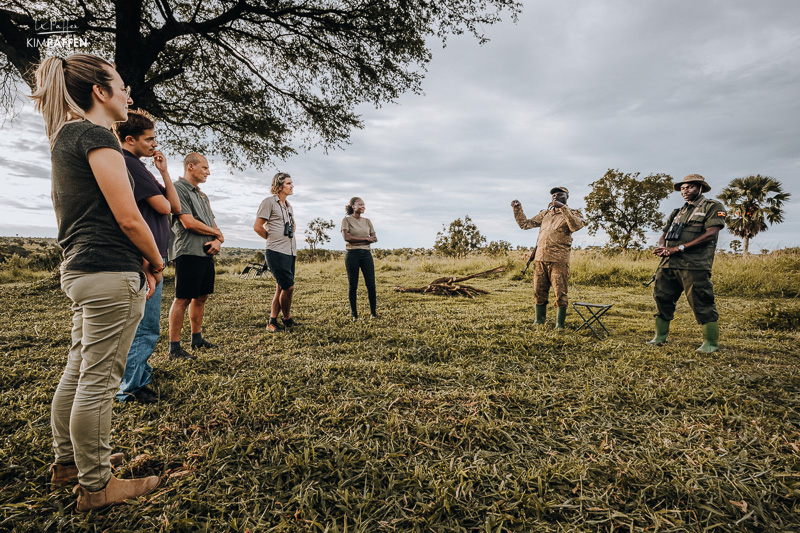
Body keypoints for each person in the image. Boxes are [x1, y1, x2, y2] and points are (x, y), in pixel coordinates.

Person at [31, 53, 161, 512]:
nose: (129, 94)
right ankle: (97, 484)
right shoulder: (94, 135)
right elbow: (128, 217)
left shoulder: (64, 136)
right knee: (100, 380)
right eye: (122, 86)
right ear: (100, 93)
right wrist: (156, 260)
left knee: (78, 369)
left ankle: (70, 463)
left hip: (81, 270)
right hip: (109, 270)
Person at [114, 110, 181, 403]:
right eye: (149, 139)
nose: (155, 144)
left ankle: (140, 373)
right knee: (144, 326)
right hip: (144, 257)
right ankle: (131, 387)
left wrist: (164, 171)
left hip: (153, 256)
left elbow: (173, 204)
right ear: (130, 139)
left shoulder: (143, 168)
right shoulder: (129, 164)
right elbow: (165, 208)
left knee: (145, 324)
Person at [649, 174, 726, 352]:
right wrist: (663, 247)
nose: (685, 190)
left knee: (702, 301)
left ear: (700, 188)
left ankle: (711, 343)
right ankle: (659, 337)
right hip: (669, 264)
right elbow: (664, 234)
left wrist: (678, 248)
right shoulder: (677, 212)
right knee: (662, 299)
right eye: (683, 188)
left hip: (694, 265)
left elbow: (711, 234)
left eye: (690, 187)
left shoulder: (713, 206)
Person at [168, 153, 223, 357]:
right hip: (188, 251)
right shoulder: (177, 188)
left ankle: (196, 339)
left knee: (201, 297)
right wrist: (216, 233)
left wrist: (217, 239)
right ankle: (174, 347)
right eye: (205, 168)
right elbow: (188, 222)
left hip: (206, 253)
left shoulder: (202, 195)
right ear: (191, 167)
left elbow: (214, 226)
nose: (208, 172)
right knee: (182, 298)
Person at [511, 186, 585, 329]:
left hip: (559, 261)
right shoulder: (545, 214)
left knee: (560, 293)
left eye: (560, 195)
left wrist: (563, 208)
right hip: (540, 259)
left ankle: (560, 325)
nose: (556, 197)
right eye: (554, 196)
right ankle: (539, 321)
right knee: (539, 291)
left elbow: (575, 226)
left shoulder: (574, 213)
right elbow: (524, 224)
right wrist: (517, 208)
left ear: (566, 197)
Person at [254, 172, 299, 332]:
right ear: (279, 186)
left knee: (281, 287)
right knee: (289, 287)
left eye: (291, 183)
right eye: (288, 183)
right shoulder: (269, 202)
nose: (292, 186)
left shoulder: (288, 205)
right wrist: (271, 238)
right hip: (276, 251)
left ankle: (283, 320)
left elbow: (292, 226)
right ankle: (272, 323)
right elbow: (257, 226)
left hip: (290, 251)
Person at [341, 197, 378, 320]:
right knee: (353, 285)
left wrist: (363, 240)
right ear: (353, 206)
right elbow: (347, 237)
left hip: (366, 254)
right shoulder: (346, 220)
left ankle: (373, 313)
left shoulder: (367, 221)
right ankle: (354, 315)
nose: (363, 206)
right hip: (352, 254)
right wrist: (366, 239)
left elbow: (374, 238)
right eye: (360, 204)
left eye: (364, 204)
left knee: (371, 285)